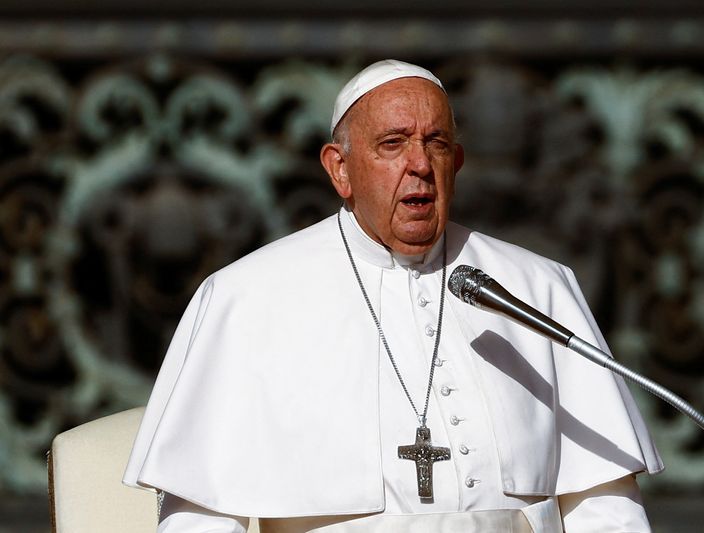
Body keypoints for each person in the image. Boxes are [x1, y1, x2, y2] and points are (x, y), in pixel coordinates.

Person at [124, 59, 663, 532]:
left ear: (457, 162)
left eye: (436, 144)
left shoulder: (536, 288)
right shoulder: (244, 298)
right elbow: (201, 519)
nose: (420, 165)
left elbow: (605, 508)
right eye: (392, 144)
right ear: (340, 169)